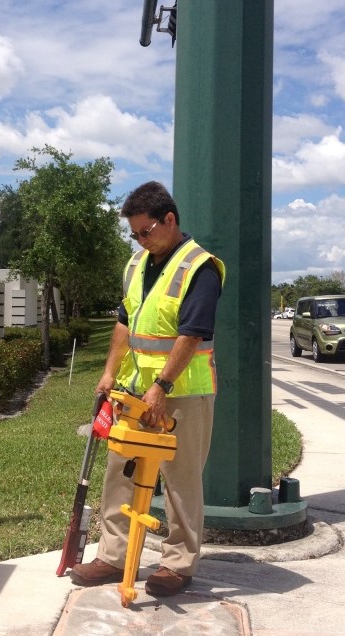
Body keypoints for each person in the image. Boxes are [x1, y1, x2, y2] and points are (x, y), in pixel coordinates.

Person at [70, 181, 225, 597]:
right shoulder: (136, 264)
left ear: (169, 220)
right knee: (119, 469)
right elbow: (125, 320)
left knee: (180, 478)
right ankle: (112, 555)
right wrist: (109, 371)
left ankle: (177, 564)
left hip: (183, 393)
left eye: (145, 231)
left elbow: (191, 334)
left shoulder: (201, 267)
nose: (140, 239)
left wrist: (162, 386)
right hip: (136, 390)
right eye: (134, 233)